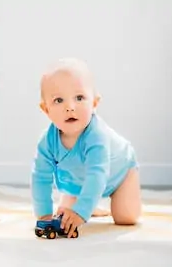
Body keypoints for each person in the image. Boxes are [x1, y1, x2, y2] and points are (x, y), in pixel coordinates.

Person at [30, 58, 142, 238]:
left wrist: (81, 213)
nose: (70, 107)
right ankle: (89, 202)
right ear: (46, 109)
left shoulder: (97, 136)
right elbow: (40, 178)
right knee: (63, 215)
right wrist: (44, 215)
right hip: (78, 182)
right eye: (58, 100)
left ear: (94, 103)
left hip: (119, 174)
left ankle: (89, 203)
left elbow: (97, 174)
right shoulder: (47, 142)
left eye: (79, 98)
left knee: (126, 217)